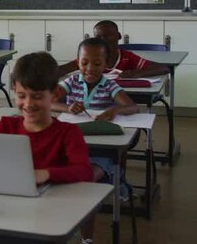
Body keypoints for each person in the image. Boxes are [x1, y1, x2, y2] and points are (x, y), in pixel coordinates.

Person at [52, 38, 139, 244]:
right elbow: (49, 100)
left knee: (84, 181)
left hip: (101, 152)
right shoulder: (72, 81)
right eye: (84, 63)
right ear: (78, 62)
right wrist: (67, 107)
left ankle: (86, 238)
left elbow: (133, 107)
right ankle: (61, 225)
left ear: (105, 63)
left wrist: (114, 110)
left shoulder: (109, 85)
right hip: (73, 145)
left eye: (97, 63)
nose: (90, 68)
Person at [0, 52, 93, 184]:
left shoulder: (68, 133)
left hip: (56, 200)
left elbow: (85, 172)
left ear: (55, 94)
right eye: (21, 96)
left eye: (37, 97)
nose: (28, 104)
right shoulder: (6, 126)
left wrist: (46, 174)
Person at [57, 20, 169, 78]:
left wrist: (137, 73)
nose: (103, 40)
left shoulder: (126, 57)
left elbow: (164, 68)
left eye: (108, 35)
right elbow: (62, 69)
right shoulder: (89, 58)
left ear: (119, 36)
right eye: (98, 37)